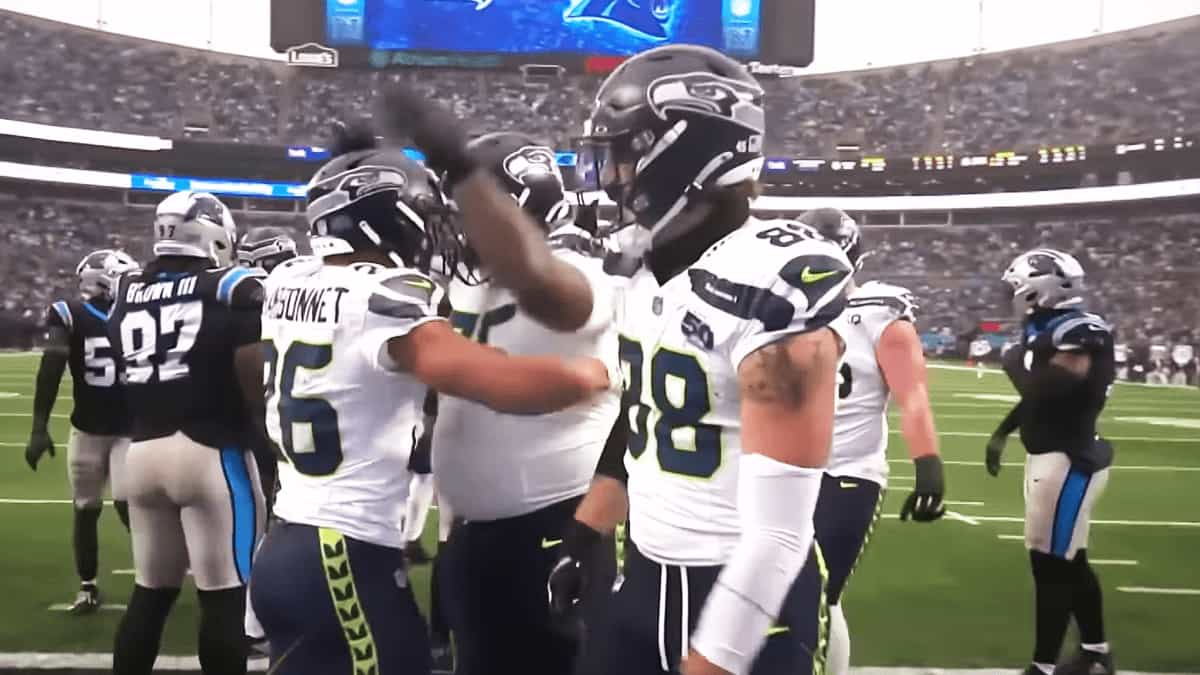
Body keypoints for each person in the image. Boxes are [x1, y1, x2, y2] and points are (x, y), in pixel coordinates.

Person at [381, 43, 851, 675]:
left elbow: (779, 535)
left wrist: (713, 659)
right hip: (648, 576)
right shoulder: (640, 268)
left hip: (751, 595)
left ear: (686, 154)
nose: (613, 175)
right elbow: (640, 415)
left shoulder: (772, 281)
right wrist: (585, 531)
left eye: (625, 155)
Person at [247, 136, 610, 675]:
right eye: (423, 215)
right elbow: (493, 380)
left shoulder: (288, 280)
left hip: (287, 539)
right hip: (342, 547)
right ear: (386, 222)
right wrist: (583, 376)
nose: (437, 230)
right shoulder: (385, 297)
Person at [429, 131, 620, 675]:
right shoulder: (472, 282)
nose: (461, 228)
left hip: (554, 524)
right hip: (475, 531)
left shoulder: (581, 276)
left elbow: (560, 292)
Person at [107, 191, 268, 675]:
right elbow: (253, 381)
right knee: (224, 598)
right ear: (214, 234)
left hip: (142, 452)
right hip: (211, 452)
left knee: (150, 594)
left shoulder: (127, 288)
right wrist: (267, 444)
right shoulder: (233, 286)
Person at [798, 208, 945, 675]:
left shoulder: (878, 314)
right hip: (785, 471)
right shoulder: (781, 312)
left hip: (846, 474)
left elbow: (912, 394)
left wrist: (928, 463)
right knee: (774, 598)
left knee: (819, 596)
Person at [986, 249, 1116, 675]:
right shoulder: (1045, 328)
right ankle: (1095, 653)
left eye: (1016, 287)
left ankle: (1043, 667)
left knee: (1051, 566)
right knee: (1069, 561)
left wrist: (1012, 362)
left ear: (1037, 290)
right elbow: (1037, 397)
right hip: (1051, 456)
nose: (1010, 296)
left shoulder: (1079, 329)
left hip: (1069, 459)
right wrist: (1003, 432)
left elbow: (1049, 389)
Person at [24, 249, 139, 614]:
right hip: (88, 429)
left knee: (129, 503)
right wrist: (39, 427)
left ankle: (153, 574)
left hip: (129, 429)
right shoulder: (70, 314)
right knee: (86, 508)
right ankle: (87, 585)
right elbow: (51, 367)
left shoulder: (136, 312)